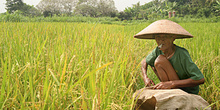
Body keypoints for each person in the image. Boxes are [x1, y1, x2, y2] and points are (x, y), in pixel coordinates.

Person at [134, 19, 205, 94]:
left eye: (165, 37)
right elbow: (145, 61)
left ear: (173, 38)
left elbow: (200, 79)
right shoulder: (158, 51)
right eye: (158, 37)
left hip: (186, 90)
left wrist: (172, 83)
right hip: (171, 86)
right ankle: (169, 91)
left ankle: (174, 92)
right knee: (155, 62)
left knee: (160, 60)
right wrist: (145, 77)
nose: (161, 40)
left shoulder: (181, 54)